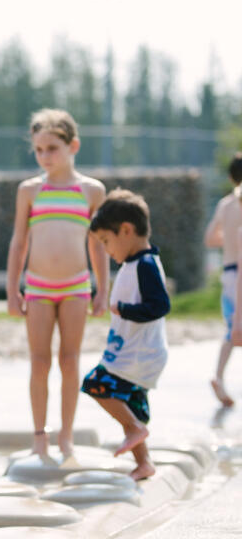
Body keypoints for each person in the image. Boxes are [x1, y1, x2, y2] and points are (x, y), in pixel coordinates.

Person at [5, 108, 108, 464]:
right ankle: (39, 436)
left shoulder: (91, 191)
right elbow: (19, 242)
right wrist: (11, 290)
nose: (45, 156)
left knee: (69, 359)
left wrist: (102, 289)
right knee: (39, 361)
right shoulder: (30, 191)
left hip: (77, 286)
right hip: (37, 288)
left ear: (73, 145)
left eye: (52, 148)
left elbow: (98, 244)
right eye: (39, 150)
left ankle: (66, 436)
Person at [81, 189, 169, 481]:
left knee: (96, 383)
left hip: (138, 353)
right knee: (131, 407)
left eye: (106, 241)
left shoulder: (144, 264)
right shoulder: (134, 263)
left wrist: (126, 310)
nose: (106, 250)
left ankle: (133, 429)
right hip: (135, 351)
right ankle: (144, 462)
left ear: (127, 230)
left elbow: (160, 305)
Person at [203, 152, 242, 407]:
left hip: (229, 270)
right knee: (236, 328)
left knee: (231, 330)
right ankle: (218, 377)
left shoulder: (225, 204)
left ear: (230, 177)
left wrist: (228, 241)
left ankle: (218, 375)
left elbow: (209, 239)